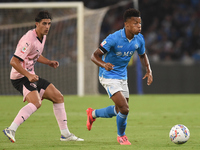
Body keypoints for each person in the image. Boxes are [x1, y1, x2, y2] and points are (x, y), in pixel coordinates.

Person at [3, 10, 83, 143]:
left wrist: (49, 62)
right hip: (20, 77)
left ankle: (65, 134)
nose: (47, 26)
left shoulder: (43, 36)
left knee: (58, 97)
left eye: (49, 24)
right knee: (36, 102)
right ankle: (11, 129)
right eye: (44, 23)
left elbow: (35, 55)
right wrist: (28, 75)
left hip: (31, 75)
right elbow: (14, 61)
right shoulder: (28, 39)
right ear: (37, 24)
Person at [86, 8, 153, 145]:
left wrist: (149, 70)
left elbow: (142, 55)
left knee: (119, 109)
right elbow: (94, 56)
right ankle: (121, 136)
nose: (139, 26)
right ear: (126, 25)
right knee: (124, 108)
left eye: (140, 23)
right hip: (108, 75)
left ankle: (92, 114)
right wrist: (104, 65)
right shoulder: (113, 38)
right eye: (135, 23)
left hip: (122, 76)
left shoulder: (139, 39)